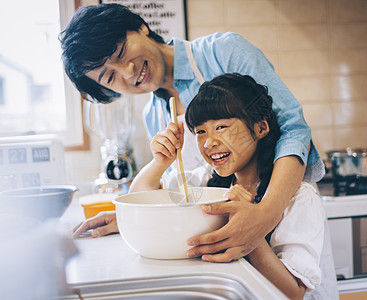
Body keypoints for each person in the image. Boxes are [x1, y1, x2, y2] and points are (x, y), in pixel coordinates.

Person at [61, 4, 325, 262]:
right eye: (109, 77)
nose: (128, 73)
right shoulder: (153, 115)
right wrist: (131, 217)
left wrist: (265, 214)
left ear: (140, 28)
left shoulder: (223, 52)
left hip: (285, 231)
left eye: (120, 52)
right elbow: (182, 193)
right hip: (225, 258)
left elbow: (293, 128)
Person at [129, 73, 338, 299]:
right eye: (200, 131)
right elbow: (139, 201)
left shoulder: (299, 198)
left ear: (260, 128)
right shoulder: (206, 182)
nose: (209, 142)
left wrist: (250, 233)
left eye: (221, 127)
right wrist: (160, 162)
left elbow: (293, 292)